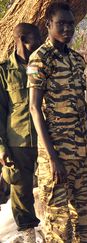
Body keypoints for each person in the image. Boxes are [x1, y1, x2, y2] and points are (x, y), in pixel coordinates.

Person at [27, 2, 87, 242]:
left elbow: (83, 108)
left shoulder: (77, 61)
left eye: (71, 24)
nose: (68, 28)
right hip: (55, 158)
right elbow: (34, 108)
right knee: (59, 227)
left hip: (81, 155)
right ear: (49, 25)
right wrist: (52, 158)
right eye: (62, 24)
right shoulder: (39, 59)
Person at [0, 23, 42, 242]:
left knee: (53, 186)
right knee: (20, 188)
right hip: (18, 140)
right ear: (23, 39)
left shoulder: (44, 67)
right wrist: (1, 147)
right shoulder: (4, 71)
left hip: (46, 140)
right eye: (36, 39)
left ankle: (55, 229)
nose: (40, 44)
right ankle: (28, 235)